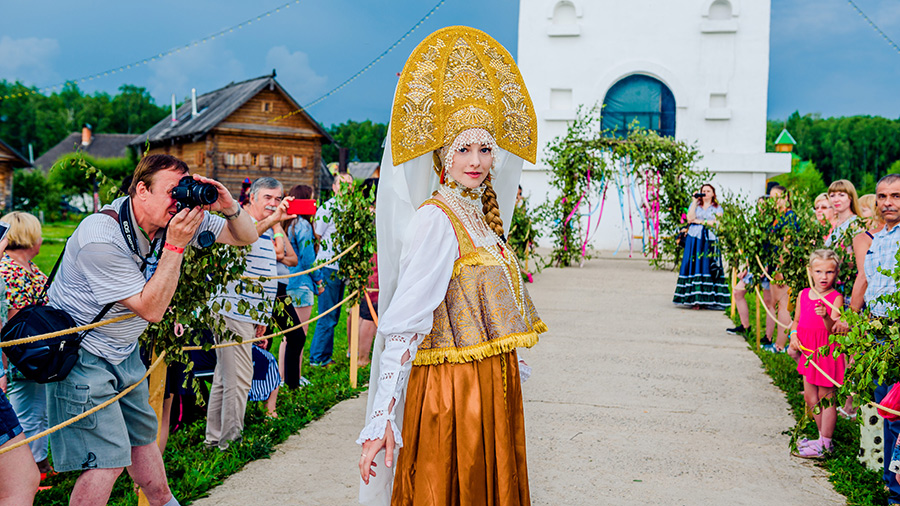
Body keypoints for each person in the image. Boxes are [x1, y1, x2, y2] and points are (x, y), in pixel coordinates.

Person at [358, 26, 547, 505]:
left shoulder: (481, 218)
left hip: (490, 385)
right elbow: (403, 326)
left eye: (485, 148)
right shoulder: (436, 220)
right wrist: (382, 420)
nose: (477, 160)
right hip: (452, 390)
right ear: (443, 155)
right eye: (464, 148)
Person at [45, 153, 257, 505]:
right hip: (81, 355)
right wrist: (175, 245)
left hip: (124, 350)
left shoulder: (169, 219)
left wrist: (228, 204)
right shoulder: (101, 235)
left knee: (143, 438)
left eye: (185, 190)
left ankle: (162, 499)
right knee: (107, 461)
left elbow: (244, 238)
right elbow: (152, 309)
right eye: (174, 191)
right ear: (141, 190)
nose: (181, 200)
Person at [206, 176, 294, 450]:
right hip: (232, 310)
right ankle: (230, 443)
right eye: (267, 197)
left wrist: (262, 319)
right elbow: (248, 233)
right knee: (241, 378)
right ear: (252, 198)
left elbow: (265, 278)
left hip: (246, 313)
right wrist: (277, 219)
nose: (273, 203)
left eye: (278, 198)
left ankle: (215, 440)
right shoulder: (241, 220)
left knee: (224, 377)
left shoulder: (268, 230)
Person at [856, 174, 900, 500]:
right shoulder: (880, 239)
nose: (888, 203)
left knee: (899, 412)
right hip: (878, 333)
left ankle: (897, 488)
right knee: (885, 405)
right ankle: (889, 478)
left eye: (896, 196)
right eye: (883, 196)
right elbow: (871, 283)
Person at [0, 212, 53, 480]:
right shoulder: (11, 271)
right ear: (29, 237)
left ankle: (39, 462)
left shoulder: (29, 269)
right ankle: (27, 470)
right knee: (26, 414)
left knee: (38, 412)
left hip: (37, 356)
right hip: (24, 357)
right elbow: (13, 323)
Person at [788, 249, 844, 458]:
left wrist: (825, 316)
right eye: (819, 271)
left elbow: (833, 328)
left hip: (825, 351)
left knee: (826, 397)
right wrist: (794, 335)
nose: (823, 277)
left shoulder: (835, 298)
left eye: (829, 272)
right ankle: (821, 437)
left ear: (836, 273)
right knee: (811, 397)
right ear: (810, 271)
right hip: (808, 351)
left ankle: (826, 442)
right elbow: (796, 321)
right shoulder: (803, 294)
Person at [309, 173, 354, 367]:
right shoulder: (328, 208)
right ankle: (318, 358)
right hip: (329, 266)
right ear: (335, 187)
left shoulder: (353, 208)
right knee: (327, 314)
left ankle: (324, 354)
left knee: (335, 315)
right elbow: (317, 235)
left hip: (343, 267)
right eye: (342, 185)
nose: (346, 189)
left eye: (349, 185)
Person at [279, 184, 319, 388]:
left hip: (287, 282)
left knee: (289, 336)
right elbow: (308, 258)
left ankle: (283, 376)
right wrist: (319, 280)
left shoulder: (287, 224)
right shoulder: (303, 225)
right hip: (302, 284)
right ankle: (294, 378)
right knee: (299, 336)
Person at [673, 184, 730, 310]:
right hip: (695, 239)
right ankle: (695, 299)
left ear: (713, 193)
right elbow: (690, 218)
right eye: (703, 191)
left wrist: (700, 222)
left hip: (709, 239)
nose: (705, 193)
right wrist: (694, 201)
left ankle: (709, 298)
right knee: (695, 266)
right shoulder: (696, 206)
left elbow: (717, 223)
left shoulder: (717, 208)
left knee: (708, 265)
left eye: (708, 191)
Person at [825, 179, 861, 247]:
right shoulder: (836, 224)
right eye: (832, 196)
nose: (836, 200)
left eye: (841, 195)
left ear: (850, 197)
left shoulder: (855, 223)